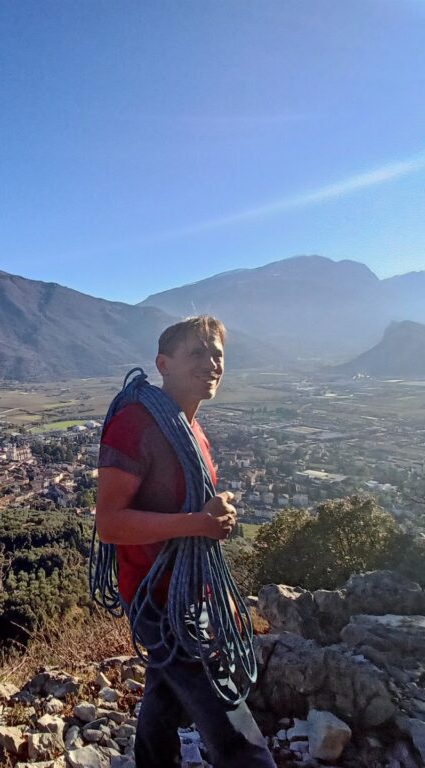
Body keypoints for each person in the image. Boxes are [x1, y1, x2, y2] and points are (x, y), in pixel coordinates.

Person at [96, 316, 275, 768]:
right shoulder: (134, 425)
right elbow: (110, 524)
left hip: (190, 593)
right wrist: (197, 522)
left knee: (164, 689)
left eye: (217, 354)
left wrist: (213, 520)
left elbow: (194, 514)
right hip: (156, 600)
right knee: (230, 719)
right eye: (198, 352)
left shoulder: (194, 432)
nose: (212, 362)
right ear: (163, 364)